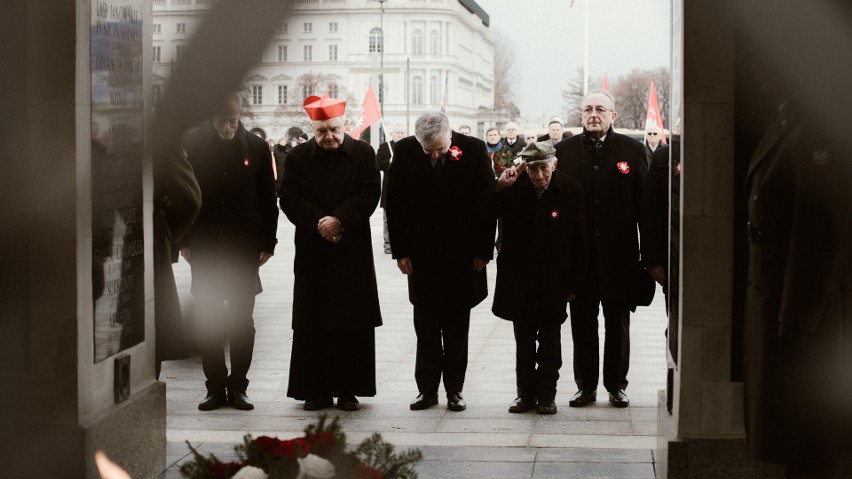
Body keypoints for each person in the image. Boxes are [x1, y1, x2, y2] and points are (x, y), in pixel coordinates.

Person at [280, 93, 382, 412]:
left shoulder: (364, 153)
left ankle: (349, 389)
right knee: (314, 319)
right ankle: (316, 390)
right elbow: (288, 197)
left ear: (345, 125)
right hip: (313, 251)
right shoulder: (297, 157)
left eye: (334, 129)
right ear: (313, 129)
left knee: (352, 319)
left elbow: (370, 194)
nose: (329, 137)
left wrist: (340, 221)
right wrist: (318, 223)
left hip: (351, 250)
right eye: (322, 131)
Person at [386, 112, 494, 412]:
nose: (434, 155)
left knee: (458, 326)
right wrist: (401, 251)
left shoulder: (473, 149)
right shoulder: (406, 151)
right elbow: (394, 204)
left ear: (450, 136)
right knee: (426, 324)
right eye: (428, 150)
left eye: (440, 149)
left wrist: (483, 250)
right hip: (422, 257)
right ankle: (427, 390)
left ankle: (455, 390)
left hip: (463, 256)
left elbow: (486, 202)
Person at [180, 92, 279, 411]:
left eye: (233, 122)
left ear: (240, 117)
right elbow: (181, 193)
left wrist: (268, 242)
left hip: (243, 247)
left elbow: (269, 197)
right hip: (205, 245)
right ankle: (214, 387)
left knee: (241, 320)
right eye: (222, 121)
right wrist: (182, 240)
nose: (227, 127)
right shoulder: (193, 144)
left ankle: (238, 386)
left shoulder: (257, 146)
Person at [555, 90, 646, 408]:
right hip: (579, 258)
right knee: (581, 321)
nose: (594, 114)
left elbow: (645, 208)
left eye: (600, 109)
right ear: (580, 115)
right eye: (587, 109)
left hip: (619, 255)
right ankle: (586, 385)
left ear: (613, 115)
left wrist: (649, 259)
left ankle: (616, 384)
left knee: (617, 322)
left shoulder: (632, 151)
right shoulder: (563, 152)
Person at [485, 141, 588, 415]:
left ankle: (546, 396)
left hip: (555, 281)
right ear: (524, 168)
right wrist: (499, 186)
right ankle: (525, 395)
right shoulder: (514, 189)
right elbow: (487, 213)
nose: (538, 176)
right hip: (520, 280)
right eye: (532, 170)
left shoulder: (572, 191)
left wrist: (575, 284)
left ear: (554, 164)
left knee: (551, 344)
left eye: (543, 168)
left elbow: (581, 241)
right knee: (524, 341)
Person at [153, 142, 201, 380]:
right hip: (151, 236)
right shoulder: (160, 140)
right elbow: (189, 199)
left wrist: (166, 233)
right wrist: (165, 232)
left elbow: (189, 200)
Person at [375, 124, 406, 254]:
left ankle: (403, 243)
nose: (400, 135)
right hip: (389, 189)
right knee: (388, 219)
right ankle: (388, 244)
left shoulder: (408, 147)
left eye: (402, 132)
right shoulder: (384, 147)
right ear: (392, 134)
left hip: (405, 190)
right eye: (398, 132)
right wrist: (389, 161)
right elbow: (377, 164)